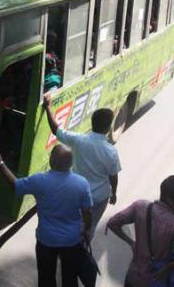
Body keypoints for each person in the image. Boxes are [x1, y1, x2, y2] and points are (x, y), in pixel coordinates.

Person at [0, 145, 92, 287]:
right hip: (72, 241)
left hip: (47, 241)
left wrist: (0, 163)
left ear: (52, 160)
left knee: (46, 277)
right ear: (70, 163)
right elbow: (87, 212)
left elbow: (16, 186)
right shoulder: (82, 184)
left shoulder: (39, 181)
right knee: (70, 276)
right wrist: (86, 230)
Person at [107, 175, 174, 287]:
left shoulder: (140, 206)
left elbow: (112, 223)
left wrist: (131, 242)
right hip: (155, 285)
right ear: (170, 198)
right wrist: (168, 267)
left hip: (133, 276)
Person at [42, 93, 120, 239]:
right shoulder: (111, 151)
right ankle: (81, 250)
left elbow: (56, 130)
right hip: (98, 199)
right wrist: (114, 193)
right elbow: (113, 176)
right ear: (109, 128)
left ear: (92, 123)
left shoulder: (79, 140)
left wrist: (48, 107)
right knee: (88, 229)